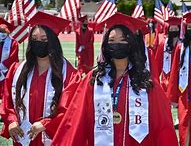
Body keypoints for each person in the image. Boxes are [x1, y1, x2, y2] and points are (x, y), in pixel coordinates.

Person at [51, 13, 178, 146]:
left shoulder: (145, 82)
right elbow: (76, 122)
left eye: (123, 40)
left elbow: (163, 126)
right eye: (112, 41)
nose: (117, 44)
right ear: (106, 45)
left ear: (131, 44)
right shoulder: (94, 79)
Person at [0, 11, 79, 146]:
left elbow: (72, 109)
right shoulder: (17, 70)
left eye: (44, 39)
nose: (39, 43)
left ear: (53, 42)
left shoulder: (69, 74)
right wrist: (11, 120)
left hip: (52, 138)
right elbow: (7, 101)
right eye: (35, 39)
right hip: (23, 137)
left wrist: (46, 124)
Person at [167, 12, 191, 145]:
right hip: (185, 95)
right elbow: (174, 74)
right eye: (190, 27)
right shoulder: (181, 48)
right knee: (184, 126)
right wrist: (172, 97)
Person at [155, 17, 181, 92]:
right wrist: (155, 79)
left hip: (180, 77)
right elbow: (158, 63)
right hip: (166, 79)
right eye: (171, 29)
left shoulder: (183, 44)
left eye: (176, 29)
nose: (173, 31)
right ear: (168, 29)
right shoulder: (163, 43)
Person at [0, 18, 19, 99]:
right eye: (1, 31)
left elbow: (13, 57)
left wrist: (2, 66)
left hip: (7, 70)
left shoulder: (13, 42)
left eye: (4, 32)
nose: (2, 34)